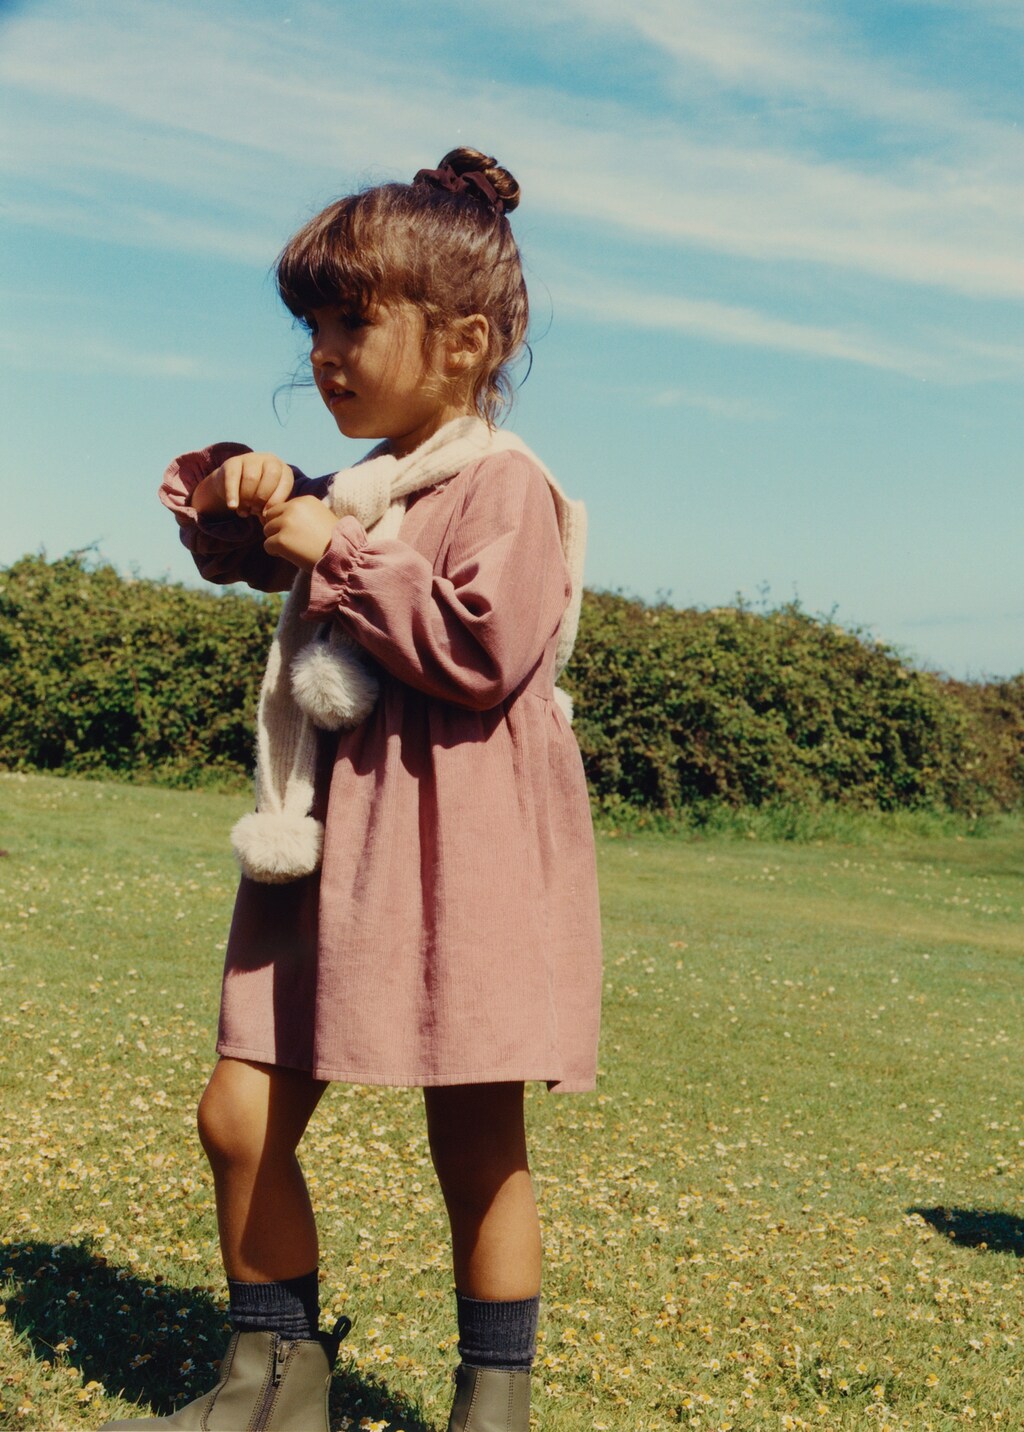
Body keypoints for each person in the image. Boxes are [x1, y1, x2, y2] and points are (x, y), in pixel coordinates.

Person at [101, 147, 602, 1432]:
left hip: (461, 848)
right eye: (310, 324)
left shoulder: (505, 486)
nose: (322, 351)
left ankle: (494, 1405)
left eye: (352, 321)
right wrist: (240, 487)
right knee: (239, 1107)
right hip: (322, 841)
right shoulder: (357, 487)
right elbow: (240, 548)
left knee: (474, 1142)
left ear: (463, 340)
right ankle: (271, 1380)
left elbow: (483, 655)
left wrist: (338, 544)